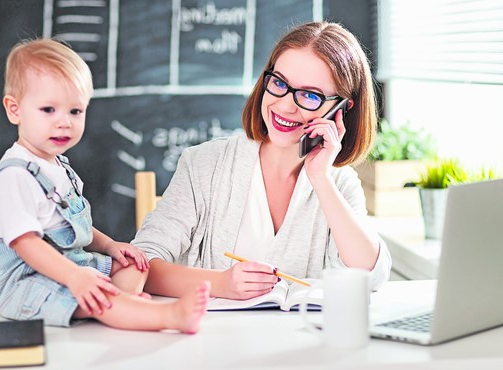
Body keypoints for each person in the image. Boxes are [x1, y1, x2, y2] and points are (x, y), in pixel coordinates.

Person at [132, 21, 392, 300]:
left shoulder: (338, 183)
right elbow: (140, 263)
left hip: (297, 342)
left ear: (341, 109)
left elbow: (370, 276)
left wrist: (320, 178)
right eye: (279, 83)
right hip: (209, 340)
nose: (284, 105)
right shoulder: (203, 165)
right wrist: (220, 284)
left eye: (309, 95)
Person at [0, 38, 210, 333]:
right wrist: (76, 278)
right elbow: (28, 245)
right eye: (48, 110)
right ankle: (165, 316)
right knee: (101, 297)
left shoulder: (59, 168)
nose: (64, 122)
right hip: (29, 284)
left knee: (136, 263)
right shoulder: (12, 179)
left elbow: (75, 226)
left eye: (75, 111)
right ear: (15, 109)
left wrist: (110, 246)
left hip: (73, 265)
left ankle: (124, 303)